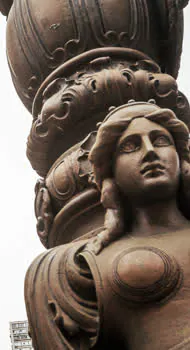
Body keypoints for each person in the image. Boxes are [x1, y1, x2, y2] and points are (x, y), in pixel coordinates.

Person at [26, 101, 190, 349]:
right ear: (110, 172)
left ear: (181, 158)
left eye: (160, 141)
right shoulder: (64, 270)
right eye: (130, 146)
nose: (149, 152)